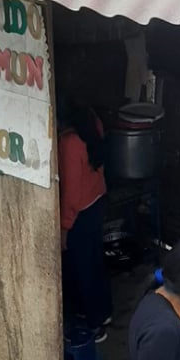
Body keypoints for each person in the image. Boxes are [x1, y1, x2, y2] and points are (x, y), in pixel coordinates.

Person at [58, 103, 112, 343]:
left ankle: (94, 326)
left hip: (80, 212)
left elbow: (71, 193)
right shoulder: (93, 123)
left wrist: (64, 227)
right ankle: (103, 312)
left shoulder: (69, 143)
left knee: (81, 269)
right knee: (94, 262)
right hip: (96, 201)